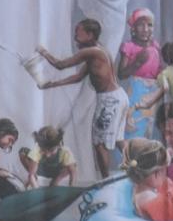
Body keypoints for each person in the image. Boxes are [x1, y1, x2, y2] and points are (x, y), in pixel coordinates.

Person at [33, 17, 128, 179]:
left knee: (99, 144)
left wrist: (42, 51)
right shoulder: (97, 51)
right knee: (118, 140)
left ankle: (106, 180)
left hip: (109, 100)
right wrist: (52, 84)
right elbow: (78, 77)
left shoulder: (91, 51)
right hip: (117, 97)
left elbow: (60, 64)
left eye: (79, 32)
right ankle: (137, 166)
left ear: (90, 34)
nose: (75, 35)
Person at [117, 7, 164, 138]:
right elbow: (121, 74)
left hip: (153, 91)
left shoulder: (155, 46)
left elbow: (159, 69)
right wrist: (137, 62)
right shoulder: (129, 46)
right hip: (136, 90)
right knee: (133, 123)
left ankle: (144, 152)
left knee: (148, 124)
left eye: (149, 25)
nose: (145, 29)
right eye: (140, 25)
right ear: (133, 28)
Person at [29, 123, 76, 188]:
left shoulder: (65, 151)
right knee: (25, 154)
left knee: (72, 166)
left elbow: (72, 172)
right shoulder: (36, 150)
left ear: (59, 145)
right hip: (42, 169)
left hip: (57, 170)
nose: (48, 155)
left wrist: (71, 187)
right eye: (44, 150)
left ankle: (56, 180)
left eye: (51, 150)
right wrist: (36, 189)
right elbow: (31, 175)